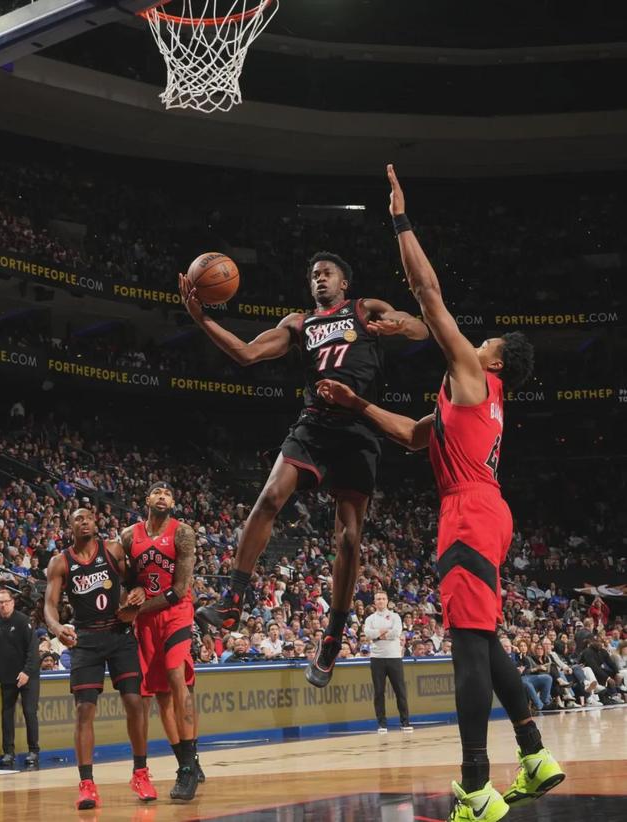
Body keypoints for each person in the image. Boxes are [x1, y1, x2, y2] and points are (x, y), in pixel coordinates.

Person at [314, 164, 564, 822]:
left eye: (485, 342)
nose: (473, 343)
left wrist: (400, 219)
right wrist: (357, 404)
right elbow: (410, 435)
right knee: (484, 640)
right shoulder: (469, 399)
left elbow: (427, 294)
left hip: (469, 510)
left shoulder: (474, 375)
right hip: (488, 509)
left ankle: (476, 787)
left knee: (467, 650)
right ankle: (535, 754)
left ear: (496, 359)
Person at [180, 252, 428, 688]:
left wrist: (400, 326)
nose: (319, 279)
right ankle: (234, 597)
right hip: (314, 424)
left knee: (348, 538)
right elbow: (246, 353)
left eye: (327, 273)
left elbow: (421, 327)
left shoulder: (365, 309)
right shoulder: (299, 323)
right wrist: (202, 318)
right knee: (269, 498)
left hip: (359, 425)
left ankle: (333, 635)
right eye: (314, 275)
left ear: (344, 283)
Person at [44, 508, 155, 810]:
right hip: (85, 639)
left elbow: (136, 583)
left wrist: (138, 594)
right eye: (77, 519)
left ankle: (141, 773)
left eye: (88, 518)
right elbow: (50, 604)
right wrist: (56, 627)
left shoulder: (113, 550)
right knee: (84, 710)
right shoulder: (60, 562)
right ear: (69, 526)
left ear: (96, 523)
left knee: (135, 702)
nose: (84, 522)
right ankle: (87, 784)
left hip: (119, 634)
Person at [119, 481, 201, 802]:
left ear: (173, 502)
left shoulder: (183, 533)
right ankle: (185, 763)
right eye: (157, 492)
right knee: (161, 695)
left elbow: (179, 589)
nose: (162, 496)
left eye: (168, 493)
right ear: (147, 499)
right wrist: (132, 594)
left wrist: (136, 609)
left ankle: (189, 763)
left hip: (176, 612)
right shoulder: (129, 536)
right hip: (147, 621)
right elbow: (127, 578)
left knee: (175, 674)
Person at [0, 589, 40, 769]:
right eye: (0, 602)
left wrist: (26, 672)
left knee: (29, 712)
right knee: (7, 714)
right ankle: (8, 752)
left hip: (28, 677)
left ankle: (33, 751)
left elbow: (33, 650)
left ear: (12, 602)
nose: (3, 605)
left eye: (6, 601)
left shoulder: (23, 621)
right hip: (7, 677)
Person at [363, 590, 412, 733]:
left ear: (387, 601)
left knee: (400, 691)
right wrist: (383, 632)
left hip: (394, 657)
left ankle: (405, 722)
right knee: (379, 692)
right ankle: (382, 724)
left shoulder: (395, 616)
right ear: (374, 601)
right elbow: (368, 634)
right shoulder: (370, 619)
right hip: (377, 658)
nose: (380, 601)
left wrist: (378, 634)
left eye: (383, 598)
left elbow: (396, 632)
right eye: (378, 599)